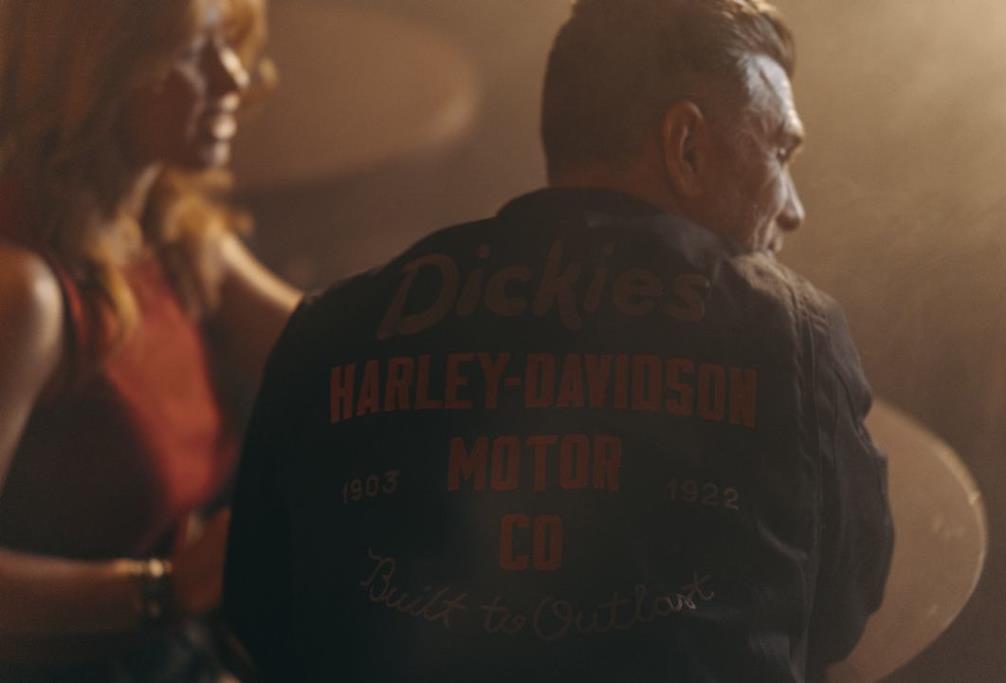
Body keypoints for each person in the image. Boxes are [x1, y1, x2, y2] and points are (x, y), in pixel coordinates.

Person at [223, 0, 893, 680]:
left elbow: (259, 613)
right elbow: (842, 608)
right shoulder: (790, 336)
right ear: (685, 146)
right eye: (780, 151)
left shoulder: (327, 333)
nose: (794, 208)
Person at [0, 0, 300, 679]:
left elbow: (330, 353)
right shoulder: (27, 294)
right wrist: (163, 590)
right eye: (193, 52)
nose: (233, 77)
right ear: (95, 73)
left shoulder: (168, 229)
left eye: (228, 43)